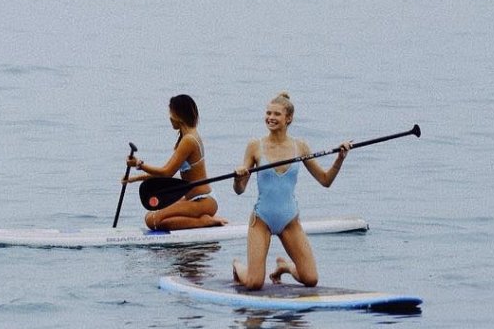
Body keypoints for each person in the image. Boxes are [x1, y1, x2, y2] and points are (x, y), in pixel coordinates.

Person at [231, 92, 351, 289]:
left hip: (289, 220)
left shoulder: (300, 146)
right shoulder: (255, 146)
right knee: (254, 283)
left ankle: (285, 266)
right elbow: (240, 190)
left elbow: (325, 180)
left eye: (276, 114)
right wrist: (238, 178)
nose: (270, 117)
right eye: (268, 113)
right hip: (261, 220)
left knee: (311, 279)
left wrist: (340, 159)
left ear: (289, 118)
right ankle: (238, 266)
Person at [124, 95, 225, 231]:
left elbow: (166, 173)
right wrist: (134, 179)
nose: (169, 118)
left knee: (152, 221)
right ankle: (199, 219)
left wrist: (139, 164)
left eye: (171, 113)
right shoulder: (187, 137)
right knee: (150, 216)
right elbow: (167, 174)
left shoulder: (189, 140)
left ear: (178, 115)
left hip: (202, 200)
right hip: (194, 199)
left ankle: (203, 221)